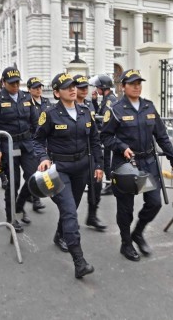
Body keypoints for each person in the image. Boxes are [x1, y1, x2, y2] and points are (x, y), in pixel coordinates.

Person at [100, 69, 173, 262]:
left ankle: (138, 232)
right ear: (123, 86)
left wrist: (172, 157)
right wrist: (121, 146)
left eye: (139, 83)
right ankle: (126, 243)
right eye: (132, 83)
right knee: (125, 208)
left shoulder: (149, 107)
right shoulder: (116, 109)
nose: (137, 86)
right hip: (125, 164)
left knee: (154, 203)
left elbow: (161, 135)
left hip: (148, 163)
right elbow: (105, 137)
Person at [33, 73, 103, 278]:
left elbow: (95, 141)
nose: (73, 89)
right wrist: (43, 157)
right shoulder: (50, 114)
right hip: (60, 169)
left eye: (74, 86)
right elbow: (37, 141)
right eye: (67, 87)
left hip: (82, 168)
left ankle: (59, 235)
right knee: (70, 211)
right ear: (56, 92)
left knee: (71, 208)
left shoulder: (85, 111)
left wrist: (98, 164)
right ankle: (79, 261)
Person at [0, 67, 38, 232]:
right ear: (3, 82)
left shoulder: (26, 96)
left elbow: (35, 122)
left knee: (33, 177)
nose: (15, 85)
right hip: (7, 145)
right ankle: (11, 217)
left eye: (17, 82)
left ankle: (19, 204)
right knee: (13, 182)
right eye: (11, 83)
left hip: (27, 143)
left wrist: (39, 143)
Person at [73, 74, 106, 231]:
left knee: (96, 186)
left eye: (86, 87)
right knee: (74, 194)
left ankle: (92, 216)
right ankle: (68, 221)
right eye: (81, 87)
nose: (84, 90)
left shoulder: (89, 105)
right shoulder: (68, 106)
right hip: (74, 155)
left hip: (91, 152)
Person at [26, 76, 50, 212]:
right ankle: (35, 199)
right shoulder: (27, 104)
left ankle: (29, 194)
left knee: (38, 169)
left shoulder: (46, 102)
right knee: (34, 169)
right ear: (29, 89)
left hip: (45, 140)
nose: (38, 89)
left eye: (40, 87)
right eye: (35, 87)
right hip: (32, 140)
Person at [91, 74, 117, 196]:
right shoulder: (106, 99)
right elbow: (99, 112)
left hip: (108, 134)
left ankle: (111, 184)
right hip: (104, 133)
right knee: (105, 159)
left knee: (107, 160)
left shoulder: (110, 99)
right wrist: (95, 101)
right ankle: (109, 183)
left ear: (103, 87)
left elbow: (105, 117)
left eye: (98, 87)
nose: (96, 89)